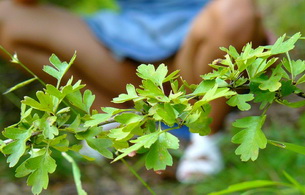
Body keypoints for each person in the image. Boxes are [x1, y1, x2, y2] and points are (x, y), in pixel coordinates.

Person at [0, 0, 268, 183]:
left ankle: (205, 138)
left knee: (236, 11)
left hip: (202, 49)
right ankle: (115, 122)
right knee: (6, 15)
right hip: (120, 46)